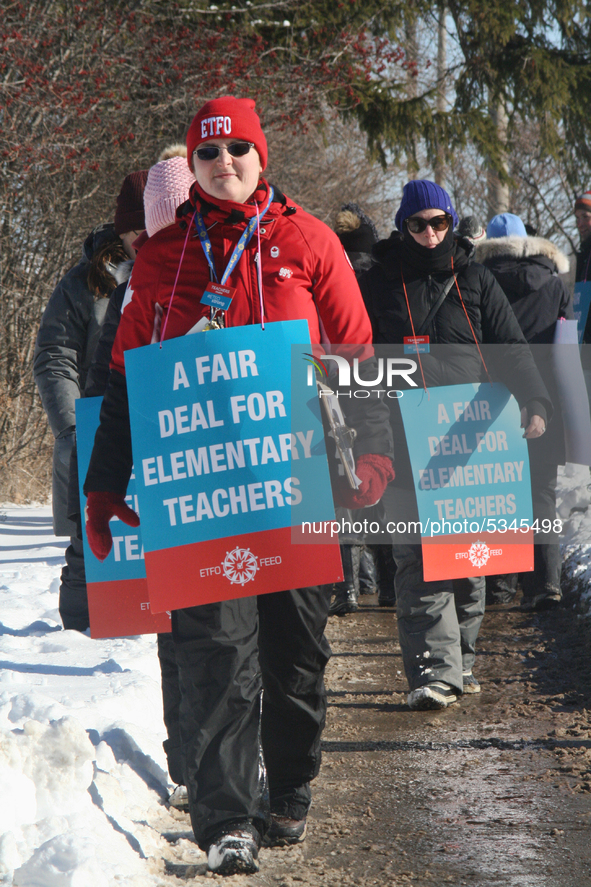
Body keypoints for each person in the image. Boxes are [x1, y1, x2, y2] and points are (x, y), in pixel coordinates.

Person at [82, 97, 394, 876]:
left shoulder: (307, 241)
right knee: (214, 652)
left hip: (299, 483)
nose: (225, 167)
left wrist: (376, 456)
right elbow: (124, 379)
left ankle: (287, 785)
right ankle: (223, 818)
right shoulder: (160, 259)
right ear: (191, 167)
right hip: (203, 489)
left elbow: (358, 357)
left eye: (238, 153)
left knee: (295, 652)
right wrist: (103, 485)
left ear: (262, 157)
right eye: (209, 157)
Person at [359, 179, 551, 711]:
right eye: (417, 224)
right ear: (403, 226)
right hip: (404, 437)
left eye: (438, 222)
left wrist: (535, 402)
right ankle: (433, 672)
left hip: (474, 440)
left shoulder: (476, 279)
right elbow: (363, 359)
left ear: (451, 223)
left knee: (468, 563)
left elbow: (512, 349)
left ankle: (461, 660)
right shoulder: (379, 285)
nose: (428, 233)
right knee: (418, 560)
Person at [34, 170, 148, 631]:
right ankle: (80, 634)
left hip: (167, 423)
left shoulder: (188, 269)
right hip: (98, 421)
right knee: (90, 537)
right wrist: (72, 427)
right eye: (134, 226)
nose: (142, 235)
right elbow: (54, 355)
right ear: (120, 230)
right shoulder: (85, 283)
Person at [476, 212, 573, 610]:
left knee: (498, 491)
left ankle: (499, 586)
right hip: (545, 396)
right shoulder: (554, 284)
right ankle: (545, 584)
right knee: (541, 492)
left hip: (493, 395)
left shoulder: (478, 280)